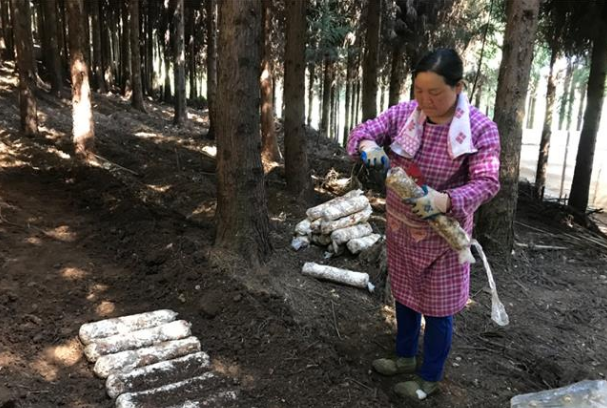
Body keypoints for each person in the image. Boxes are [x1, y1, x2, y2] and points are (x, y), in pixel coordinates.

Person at [346, 48, 500, 400]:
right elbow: (364, 130)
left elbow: (488, 182)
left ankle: (429, 376)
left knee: (439, 310)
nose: (425, 100)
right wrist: (368, 145)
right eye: (419, 90)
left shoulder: (479, 129)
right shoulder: (405, 115)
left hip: (443, 239)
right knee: (405, 297)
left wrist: (445, 200)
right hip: (401, 231)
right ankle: (404, 357)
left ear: (458, 87)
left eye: (435, 92)